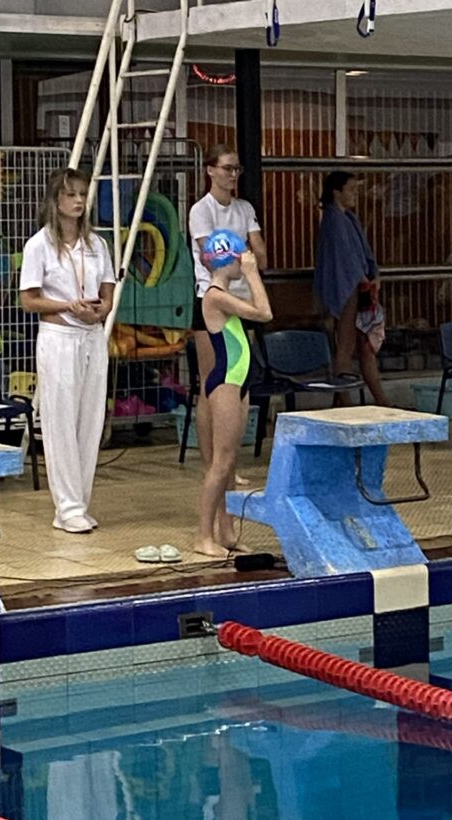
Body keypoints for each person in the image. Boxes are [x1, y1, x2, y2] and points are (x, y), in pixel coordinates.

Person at [19, 167, 115, 533]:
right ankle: (67, 506)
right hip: (59, 337)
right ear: (56, 199)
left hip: (92, 336)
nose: (78, 201)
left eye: (82, 195)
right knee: (60, 422)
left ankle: (81, 502)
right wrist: (67, 306)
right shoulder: (39, 244)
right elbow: (29, 300)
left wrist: (100, 311)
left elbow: (107, 291)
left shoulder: (97, 244)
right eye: (71, 194)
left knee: (89, 420)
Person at [189, 145, 267, 486]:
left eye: (237, 169)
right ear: (210, 170)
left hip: (241, 300)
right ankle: (212, 464)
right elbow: (212, 257)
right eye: (227, 168)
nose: (233, 175)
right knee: (212, 382)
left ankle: (227, 462)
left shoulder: (244, 208)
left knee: (238, 382)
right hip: (212, 299)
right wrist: (241, 253)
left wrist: (240, 253)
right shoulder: (200, 210)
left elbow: (260, 254)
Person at [194, 229, 272, 558]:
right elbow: (265, 312)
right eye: (242, 256)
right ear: (230, 258)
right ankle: (203, 537)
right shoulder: (214, 296)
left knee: (229, 462)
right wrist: (253, 274)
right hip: (225, 383)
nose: (246, 261)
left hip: (238, 383)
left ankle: (226, 533)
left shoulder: (223, 295)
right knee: (220, 463)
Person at [314, 171, 390, 407]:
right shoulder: (333, 220)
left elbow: (362, 251)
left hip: (359, 285)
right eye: (351, 190)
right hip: (347, 287)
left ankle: (376, 399)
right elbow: (344, 258)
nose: (355, 194)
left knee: (363, 344)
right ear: (337, 192)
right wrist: (364, 279)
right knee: (346, 343)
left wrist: (374, 274)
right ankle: (346, 398)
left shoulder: (348, 218)